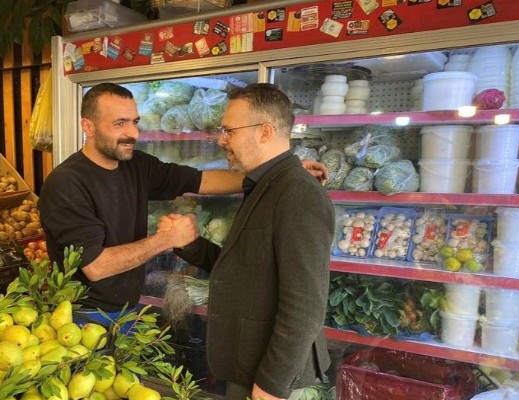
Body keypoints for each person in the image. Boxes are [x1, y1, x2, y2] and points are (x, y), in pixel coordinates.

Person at [38, 82, 326, 319]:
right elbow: (96, 266)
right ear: (88, 127)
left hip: (125, 309)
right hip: (81, 314)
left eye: (135, 122)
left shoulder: (136, 165)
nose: (133, 133)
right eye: (119, 123)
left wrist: (276, 171)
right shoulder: (66, 184)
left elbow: (202, 180)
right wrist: (167, 239)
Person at [168, 83, 334, 400]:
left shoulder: (297, 193)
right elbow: (246, 268)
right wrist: (190, 244)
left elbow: (306, 304)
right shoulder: (264, 186)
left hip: (265, 370)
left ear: (265, 131)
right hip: (251, 362)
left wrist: (272, 381)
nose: (221, 140)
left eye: (229, 131)